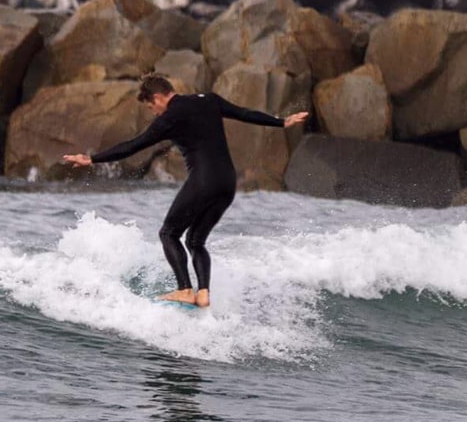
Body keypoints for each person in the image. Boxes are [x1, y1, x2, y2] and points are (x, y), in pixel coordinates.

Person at [63, 76, 309, 308]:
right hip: (227, 184)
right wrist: (281, 122)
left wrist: (91, 159)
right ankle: (203, 294)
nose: (154, 112)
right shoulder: (209, 100)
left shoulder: (170, 117)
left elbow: (133, 146)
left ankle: (184, 289)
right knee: (195, 240)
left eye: (151, 108)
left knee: (168, 233)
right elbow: (244, 113)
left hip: (204, 181)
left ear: (157, 99)